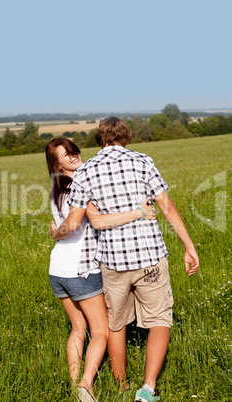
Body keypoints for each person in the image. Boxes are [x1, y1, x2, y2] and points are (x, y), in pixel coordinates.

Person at [51, 118, 200, 402]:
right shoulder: (143, 161)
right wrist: (188, 245)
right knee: (159, 320)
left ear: (100, 139)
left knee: (116, 324)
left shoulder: (87, 171)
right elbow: (166, 206)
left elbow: (78, 220)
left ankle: (121, 386)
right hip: (150, 257)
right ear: (126, 137)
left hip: (113, 263)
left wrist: (55, 233)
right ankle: (148, 389)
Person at [46, 137, 156, 402]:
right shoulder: (79, 185)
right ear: (57, 163)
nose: (74, 156)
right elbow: (87, 221)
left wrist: (55, 234)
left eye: (74, 151)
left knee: (77, 328)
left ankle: (74, 387)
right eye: (66, 155)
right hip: (81, 269)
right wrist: (138, 213)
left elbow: (67, 226)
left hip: (57, 269)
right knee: (101, 332)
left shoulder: (56, 188)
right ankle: (86, 383)